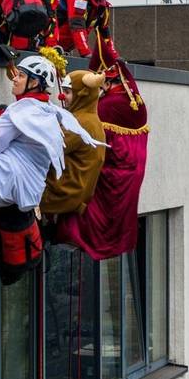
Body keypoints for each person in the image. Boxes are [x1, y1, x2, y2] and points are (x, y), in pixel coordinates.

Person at [0, 52, 104, 282]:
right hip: (28, 193)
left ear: (34, 83)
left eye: (21, 76)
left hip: (3, 183)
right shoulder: (52, 112)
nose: (15, 79)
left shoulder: (20, 111)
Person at [56, 60, 149, 259]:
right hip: (133, 174)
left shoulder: (106, 105)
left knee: (92, 212)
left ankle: (73, 235)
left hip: (113, 173)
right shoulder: (136, 101)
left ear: (107, 82)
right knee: (119, 218)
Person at [40, 70, 107, 217]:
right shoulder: (89, 118)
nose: (62, 96)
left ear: (83, 95)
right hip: (75, 192)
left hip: (63, 193)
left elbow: (46, 149)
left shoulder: (80, 123)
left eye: (68, 92)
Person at [56, 0, 124, 67]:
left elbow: (104, 33)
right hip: (48, 44)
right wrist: (86, 53)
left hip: (63, 51)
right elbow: (76, 24)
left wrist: (114, 57)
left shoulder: (103, 7)